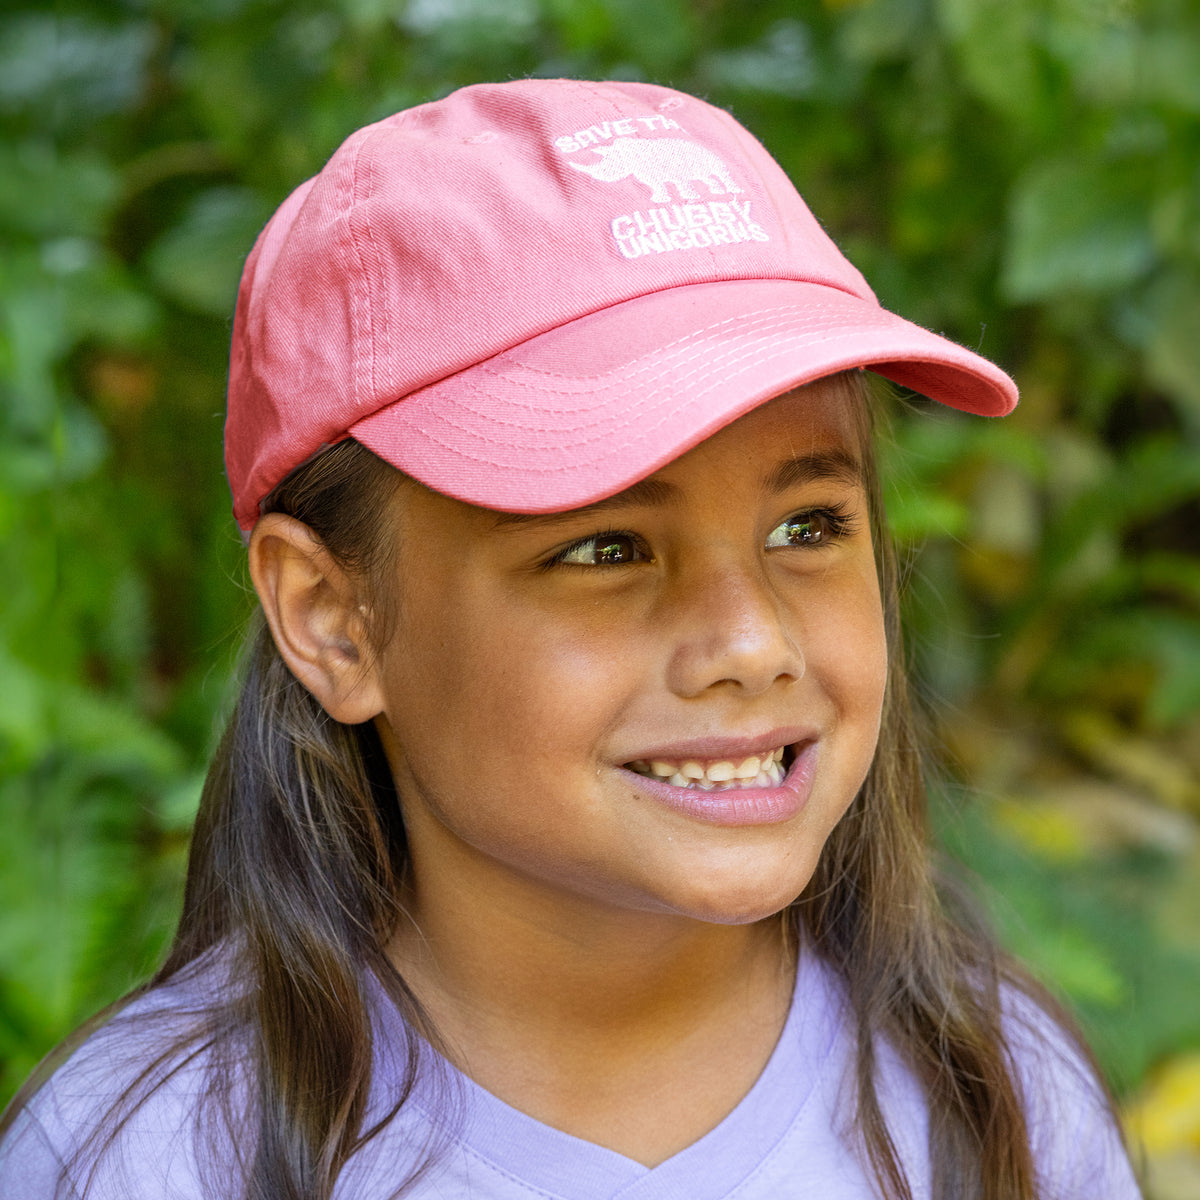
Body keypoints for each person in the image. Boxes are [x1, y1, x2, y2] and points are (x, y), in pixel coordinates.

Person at [0, 79, 1142, 1200]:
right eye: (605, 549)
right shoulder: (147, 1159)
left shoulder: (995, 1099)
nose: (751, 644)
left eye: (809, 527)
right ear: (332, 618)